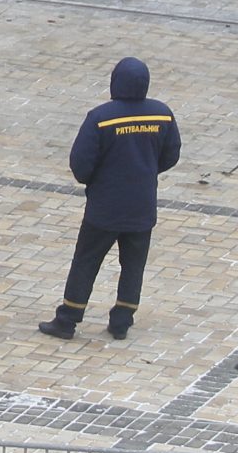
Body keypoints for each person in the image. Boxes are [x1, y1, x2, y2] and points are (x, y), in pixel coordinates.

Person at [39, 57, 180, 342]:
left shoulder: (101, 117)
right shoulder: (162, 114)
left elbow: (81, 163)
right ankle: (122, 321)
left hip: (105, 207)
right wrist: (147, 171)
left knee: (86, 261)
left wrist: (96, 181)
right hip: (142, 206)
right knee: (133, 265)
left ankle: (67, 319)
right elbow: (171, 154)